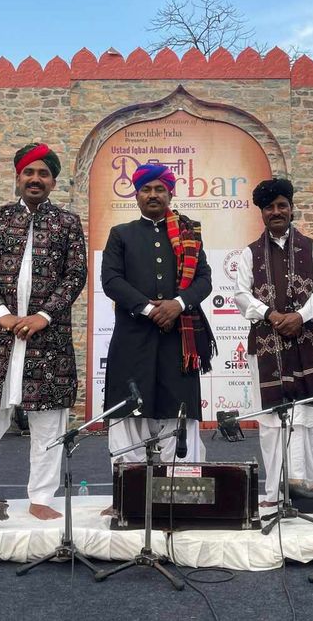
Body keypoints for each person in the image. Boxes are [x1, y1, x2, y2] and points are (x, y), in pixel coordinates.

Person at [0, 143, 87, 520]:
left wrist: (43, 317)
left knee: (49, 419)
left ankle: (41, 498)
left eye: (43, 174)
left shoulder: (67, 222)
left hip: (47, 338)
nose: (35, 179)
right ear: (18, 178)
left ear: (53, 182)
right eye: (28, 173)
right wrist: (1, 314)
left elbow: (74, 276)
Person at [101, 163, 215, 463]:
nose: (153, 195)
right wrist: (150, 309)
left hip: (179, 340)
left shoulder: (189, 233)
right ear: (137, 195)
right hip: (132, 339)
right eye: (146, 190)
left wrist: (178, 304)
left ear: (170, 194)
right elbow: (111, 281)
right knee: (128, 412)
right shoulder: (121, 234)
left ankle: (179, 495)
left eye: (159, 189)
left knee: (180, 411)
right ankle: (129, 497)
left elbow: (204, 279)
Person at [233, 179, 313, 507]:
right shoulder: (249, 253)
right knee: (274, 423)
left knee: (310, 419)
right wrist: (272, 315)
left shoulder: (312, 247)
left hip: (307, 342)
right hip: (266, 346)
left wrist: (300, 316)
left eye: (282, 205)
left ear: (291, 208)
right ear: (262, 212)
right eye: (270, 207)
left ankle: (311, 492)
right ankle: (276, 493)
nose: (277, 212)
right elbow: (241, 294)